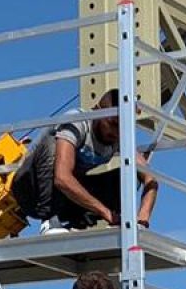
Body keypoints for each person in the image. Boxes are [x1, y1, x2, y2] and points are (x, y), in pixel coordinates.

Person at [11, 90, 158, 233]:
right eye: (112, 123)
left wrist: (142, 220)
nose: (116, 132)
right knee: (53, 142)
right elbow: (62, 178)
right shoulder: (77, 122)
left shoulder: (120, 138)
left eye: (123, 126)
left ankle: (78, 222)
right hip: (30, 190)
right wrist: (106, 213)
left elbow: (150, 178)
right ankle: (49, 220)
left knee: (130, 174)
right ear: (97, 111)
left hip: (64, 199)